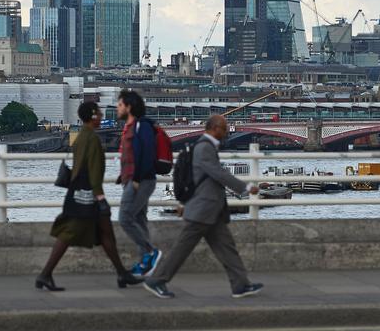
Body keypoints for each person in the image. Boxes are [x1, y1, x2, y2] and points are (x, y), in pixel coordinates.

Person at [143, 114, 264, 299]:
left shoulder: (205, 146)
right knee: (181, 250)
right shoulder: (204, 148)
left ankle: (240, 285)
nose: (226, 132)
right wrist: (245, 187)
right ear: (215, 128)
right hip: (202, 210)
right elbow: (218, 173)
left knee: (227, 248)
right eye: (224, 128)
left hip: (210, 211)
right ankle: (156, 280)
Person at [36, 101, 141, 291]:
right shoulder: (92, 139)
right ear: (92, 116)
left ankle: (122, 274)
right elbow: (93, 171)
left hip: (78, 192)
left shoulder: (81, 136)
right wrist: (100, 197)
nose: (101, 117)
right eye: (99, 114)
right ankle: (44, 274)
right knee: (70, 234)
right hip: (86, 195)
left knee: (105, 233)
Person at [117, 90, 162, 277]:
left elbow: (147, 154)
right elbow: (130, 155)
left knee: (125, 217)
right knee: (139, 220)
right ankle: (145, 264)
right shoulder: (129, 126)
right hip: (131, 180)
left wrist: (135, 179)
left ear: (129, 107)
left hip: (141, 181)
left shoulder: (141, 126)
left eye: (120, 105)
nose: (117, 108)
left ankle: (151, 252)